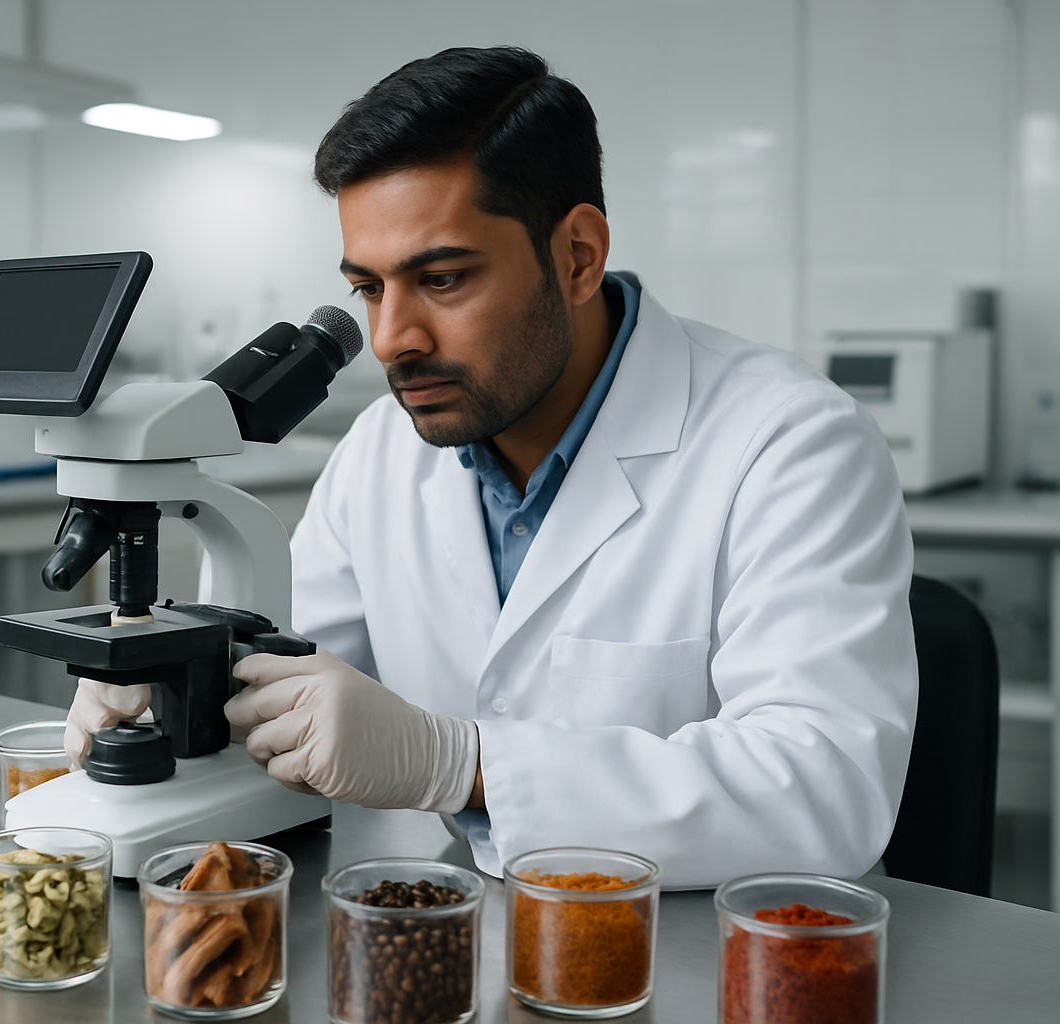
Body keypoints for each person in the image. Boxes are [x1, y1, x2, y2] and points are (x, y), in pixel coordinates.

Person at [67, 46, 916, 887]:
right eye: (369, 287)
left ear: (578, 256)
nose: (393, 337)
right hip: (451, 939)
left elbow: (826, 788)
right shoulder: (380, 451)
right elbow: (287, 689)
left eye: (441, 278)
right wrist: (179, 687)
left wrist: (463, 766)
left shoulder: (790, 443)